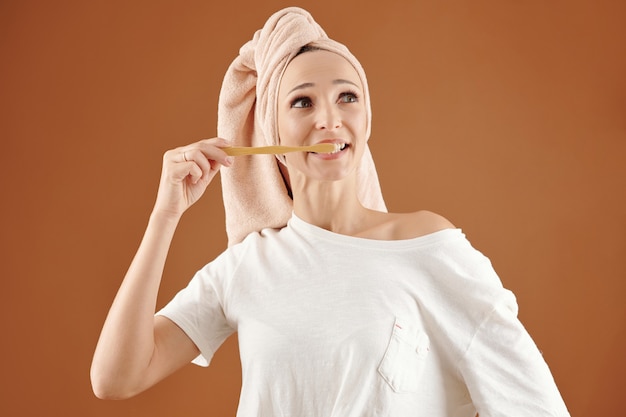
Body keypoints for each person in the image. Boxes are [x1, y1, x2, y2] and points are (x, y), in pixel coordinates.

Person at [91, 7, 570, 417]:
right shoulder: (248, 266)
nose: (329, 119)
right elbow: (116, 377)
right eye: (302, 102)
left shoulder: (426, 243)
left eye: (347, 96)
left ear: (366, 119)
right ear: (270, 132)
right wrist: (165, 215)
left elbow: (533, 401)